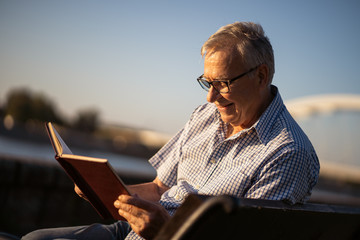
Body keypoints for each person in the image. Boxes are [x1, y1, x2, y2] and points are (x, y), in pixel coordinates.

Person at [22, 21, 320, 240]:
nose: (210, 97)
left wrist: (167, 233)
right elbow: (159, 189)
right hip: (133, 232)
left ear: (261, 75)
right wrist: (101, 192)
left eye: (223, 83)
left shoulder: (288, 153)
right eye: (207, 82)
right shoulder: (206, 115)